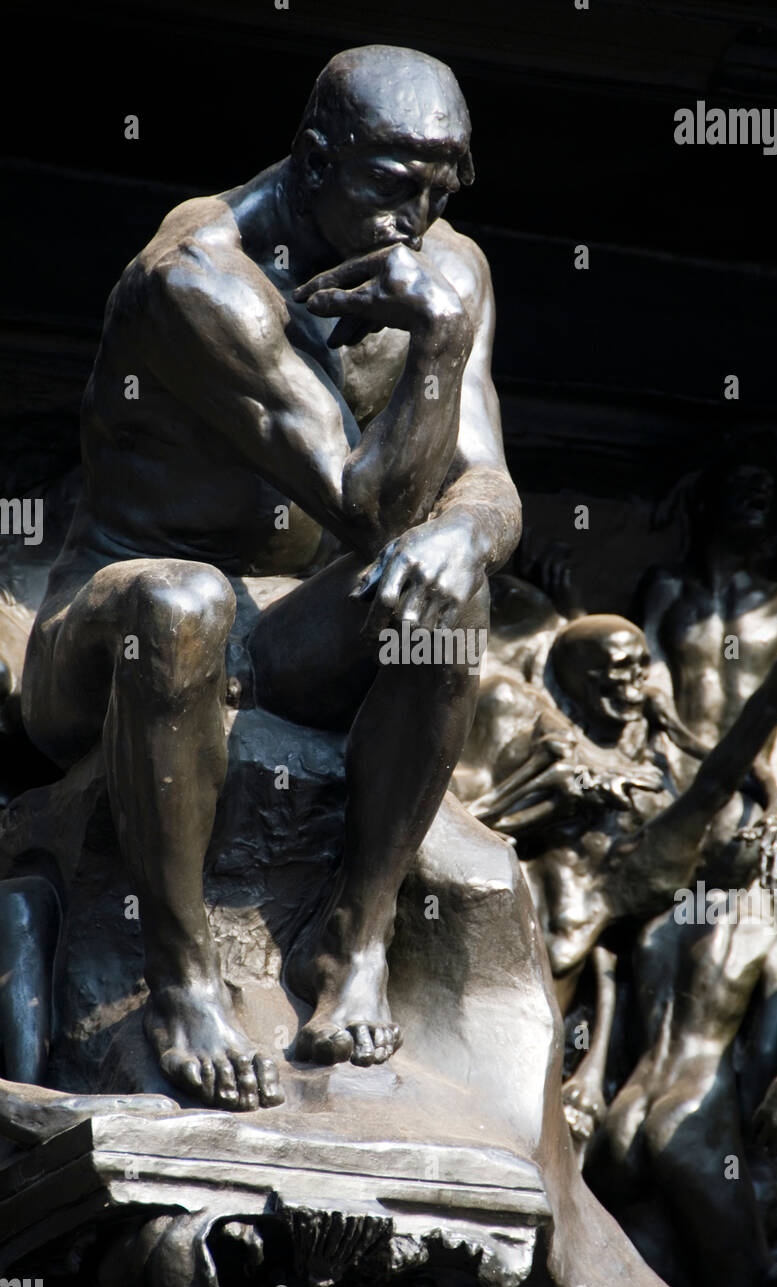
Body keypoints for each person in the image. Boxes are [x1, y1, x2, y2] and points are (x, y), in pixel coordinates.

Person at [18, 46, 521, 1109]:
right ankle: (183, 979)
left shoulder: (449, 265)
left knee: (454, 590)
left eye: (443, 189)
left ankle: (355, 936)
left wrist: (462, 539)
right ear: (313, 157)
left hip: (290, 630)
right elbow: (365, 502)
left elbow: (487, 485)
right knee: (184, 600)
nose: (417, 221)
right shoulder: (197, 279)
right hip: (112, 633)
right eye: (393, 186)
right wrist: (432, 343)